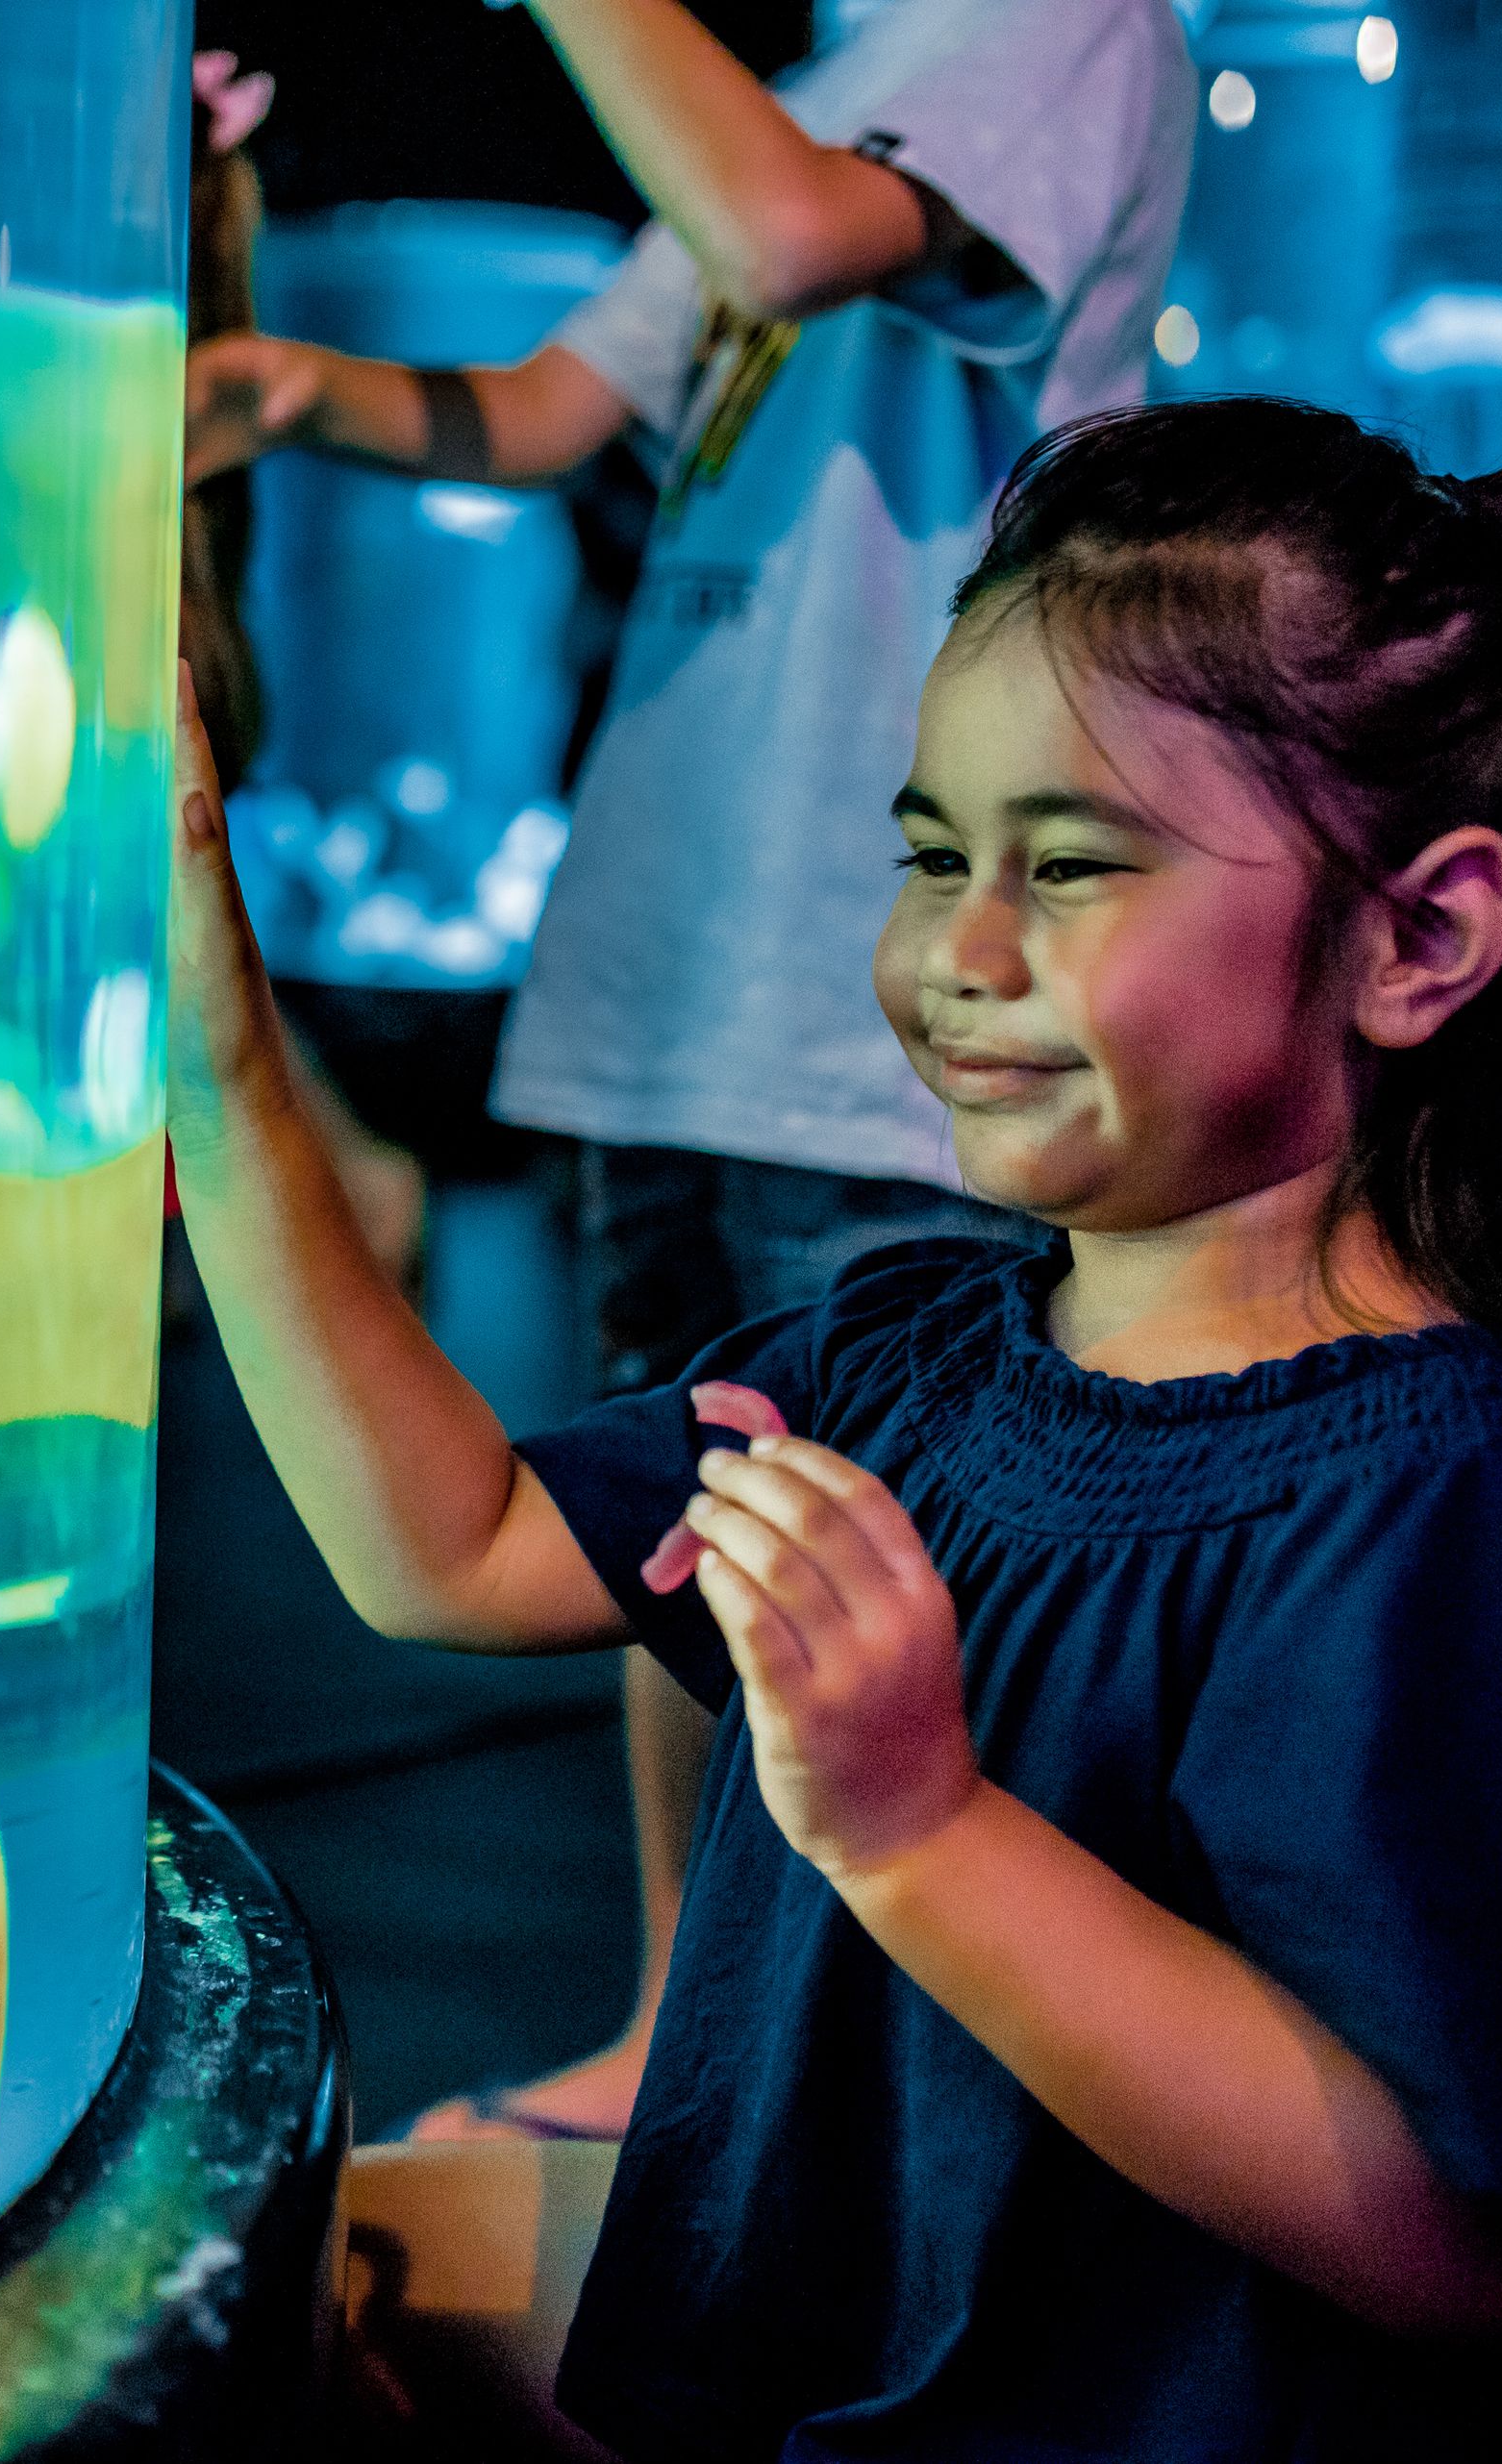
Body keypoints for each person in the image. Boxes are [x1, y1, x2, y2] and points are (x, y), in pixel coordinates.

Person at [164, 394, 1502, 2455]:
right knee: (272, 2282)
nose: (956, 958)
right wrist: (219, 1049)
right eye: (934, 856)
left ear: (1420, 937)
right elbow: (444, 1548)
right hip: (850, 2368)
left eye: (1073, 869)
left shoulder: (1450, 1502)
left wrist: (921, 1830)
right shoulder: (912, 1354)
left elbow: (1453, 2240)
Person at [186, 0, 1196, 2140]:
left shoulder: (1060, 21)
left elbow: (776, 228)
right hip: (687, 960)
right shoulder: (826, 77)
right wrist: (277, 386)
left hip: (890, 1005)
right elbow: (559, 405)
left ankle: (898, 2079)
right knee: (691, 1540)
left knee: (893, 1561)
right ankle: (692, 2028)